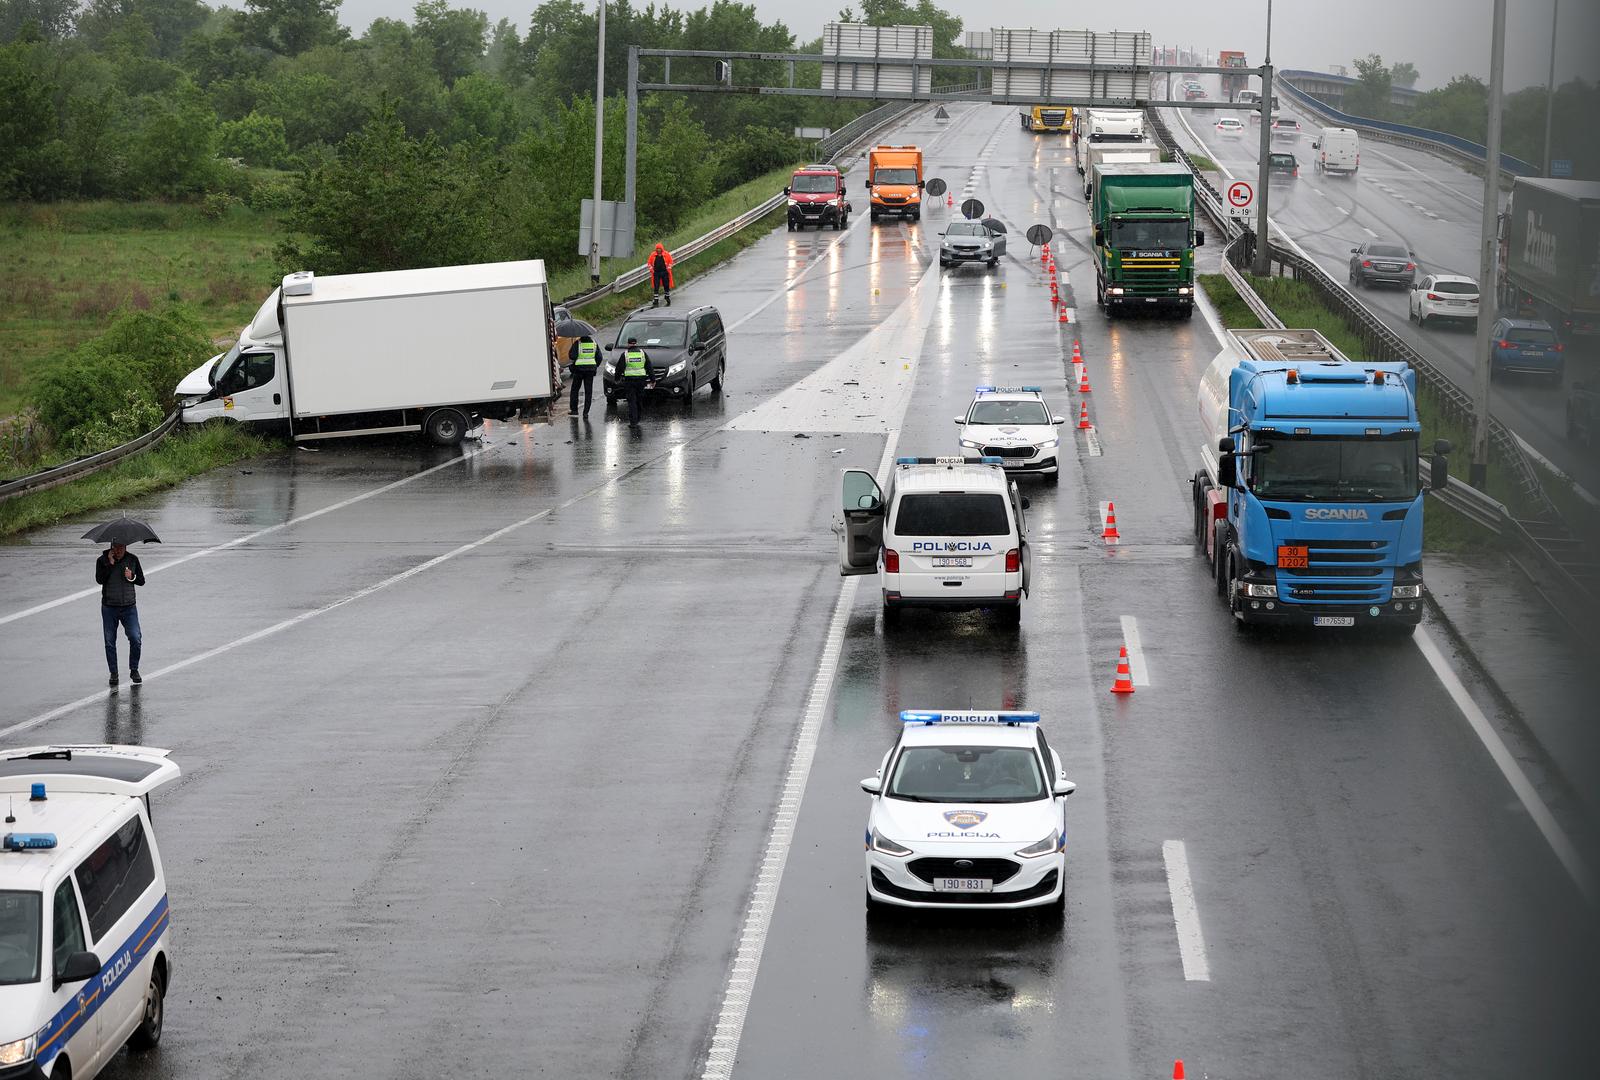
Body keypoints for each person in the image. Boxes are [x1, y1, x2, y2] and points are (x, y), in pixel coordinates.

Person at [95, 542, 145, 686]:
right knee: (110, 641)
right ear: (111, 547)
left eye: (121, 548)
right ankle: (114, 673)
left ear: (126, 547)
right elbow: (99, 580)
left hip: (129, 607)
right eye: (115, 548)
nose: (118, 551)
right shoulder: (102, 561)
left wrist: (132, 576)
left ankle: (134, 669)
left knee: (136, 638)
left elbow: (141, 581)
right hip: (109, 607)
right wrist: (109, 564)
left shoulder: (133, 559)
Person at [619, 336, 650, 428]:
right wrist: (652, 379)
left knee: (632, 401)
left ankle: (633, 421)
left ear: (628, 344)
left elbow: (619, 368)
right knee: (639, 400)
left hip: (629, 381)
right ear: (636, 343)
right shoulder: (642, 353)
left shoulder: (625, 354)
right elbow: (649, 366)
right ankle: (638, 418)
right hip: (641, 380)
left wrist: (617, 378)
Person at [567, 333, 599, 417]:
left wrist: (573, 349)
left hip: (579, 370)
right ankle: (586, 413)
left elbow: (572, 356)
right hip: (590, 371)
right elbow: (599, 357)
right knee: (588, 391)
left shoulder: (577, 343)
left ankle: (574, 410)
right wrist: (594, 365)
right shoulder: (594, 344)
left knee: (575, 390)